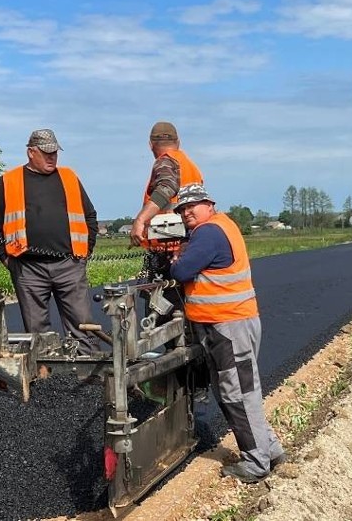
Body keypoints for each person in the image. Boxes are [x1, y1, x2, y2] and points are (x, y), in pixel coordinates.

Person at [169, 183, 286, 483]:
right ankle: (270, 449)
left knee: (237, 391)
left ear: (209, 204)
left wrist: (177, 262)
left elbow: (182, 273)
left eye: (193, 205)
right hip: (229, 325)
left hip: (228, 326)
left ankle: (256, 461)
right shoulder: (221, 226)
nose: (187, 212)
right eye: (183, 208)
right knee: (239, 390)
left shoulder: (208, 232)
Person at [0, 128, 99, 354]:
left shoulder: (69, 177)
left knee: (83, 325)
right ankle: (46, 379)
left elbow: (90, 216)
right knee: (37, 331)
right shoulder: (9, 181)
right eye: (46, 153)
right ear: (30, 153)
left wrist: (86, 252)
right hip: (28, 268)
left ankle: (89, 376)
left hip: (69, 265)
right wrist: (6, 259)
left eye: (54, 153)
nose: (52, 157)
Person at [130, 121, 203, 248]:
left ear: (150, 145)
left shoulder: (166, 161)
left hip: (169, 243)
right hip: (191, 240)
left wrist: (140, 220)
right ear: (178, 143)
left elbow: (167, 187)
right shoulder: (189, 166)